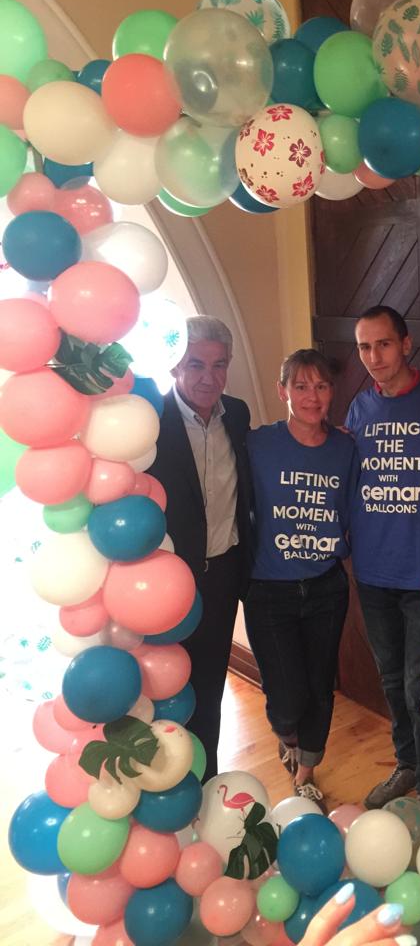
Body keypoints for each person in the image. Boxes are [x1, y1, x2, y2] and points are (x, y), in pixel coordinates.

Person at [346, 305, 420, 809]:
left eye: (384, 344)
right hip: (372, 571)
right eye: (365, 347)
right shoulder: (359, 408)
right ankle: (406, 764)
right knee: (391, 679)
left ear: (406, 344)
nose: (374, 357)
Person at [244, 349, 358, 806]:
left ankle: (306, 772)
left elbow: (355, 508)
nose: (313, 396)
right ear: (283, 391)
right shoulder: (257, 444)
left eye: (322, 386)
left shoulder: (345, 448)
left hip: (326, 586)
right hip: (269, 589)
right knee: (287, 696)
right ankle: (286, 734)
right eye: (301, 386)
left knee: (319, 687)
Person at [148, 315, 252, 783]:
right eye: (196, 364)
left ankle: (205, 779)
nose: (209, 377)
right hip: (166, 582)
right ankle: (163, 782)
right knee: (163, 688)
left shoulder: (239, 414)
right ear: (175, 365)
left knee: (210, 688)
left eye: (219, 365)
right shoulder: (151, 419)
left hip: (223, 575)